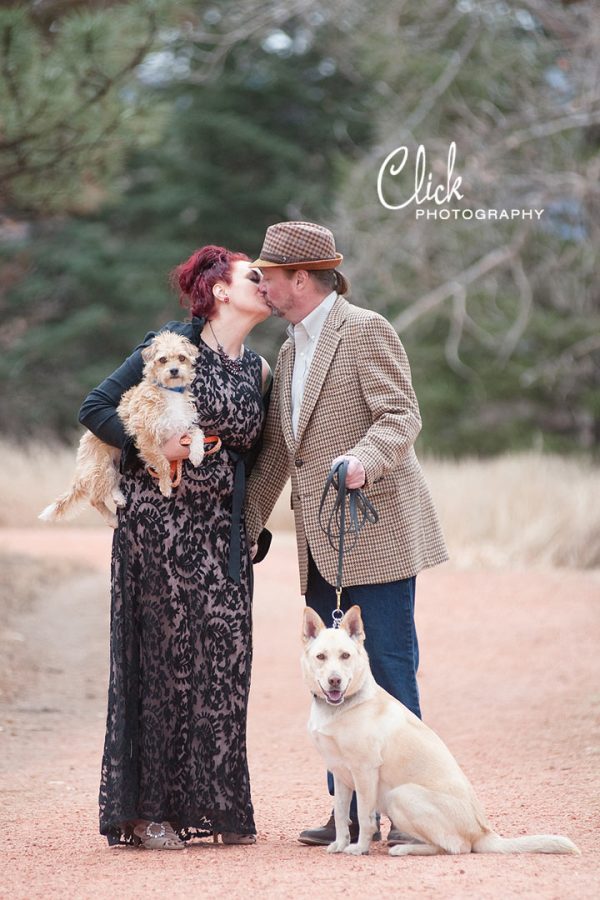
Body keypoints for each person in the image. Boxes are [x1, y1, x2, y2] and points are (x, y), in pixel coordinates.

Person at [244, 221, 448, 847]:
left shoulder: (366, 330)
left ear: (299, 278)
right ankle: (350, 814)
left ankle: (414, 810)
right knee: (331, 674)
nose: (261, 284)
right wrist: (244, 526)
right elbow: (282, 450)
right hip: (319, 539)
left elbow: (401, 415)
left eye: (268, 275)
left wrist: (364, 457)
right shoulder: (288, 349)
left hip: (378, 529)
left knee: (385, 665)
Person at [79, 245, 272, 849]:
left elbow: (259, 454)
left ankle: (218, 807)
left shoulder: (261, 369)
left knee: (224, 661)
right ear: (219, 289)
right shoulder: (168, 345)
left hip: (222, 534)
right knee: (166, 663)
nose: (268, 285)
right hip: (156, 525)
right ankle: (153, 811)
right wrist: (150, 449)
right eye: (255, 277)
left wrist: (254, 519)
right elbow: (95, 408)